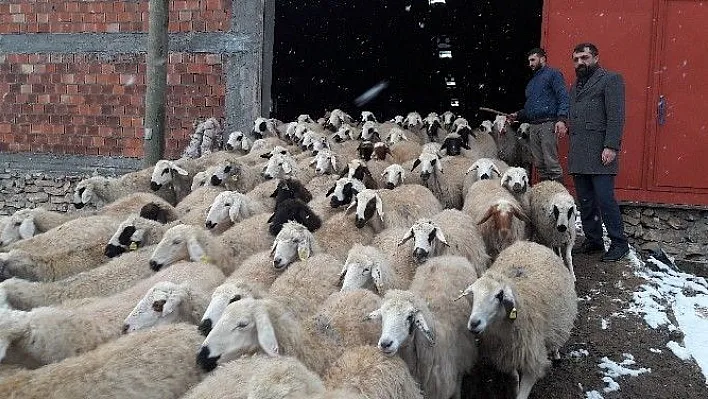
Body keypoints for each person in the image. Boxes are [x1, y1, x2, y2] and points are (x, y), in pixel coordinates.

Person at [567, 42, 629, 262]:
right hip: (579, 153)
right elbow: (575, 114)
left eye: (584, 58)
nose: (579, 63)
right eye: (576, 59)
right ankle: (594, 241)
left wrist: (611, 146)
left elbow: (616, 116)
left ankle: (620, 243)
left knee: (605, 199)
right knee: (585, 201)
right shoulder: (575, 86)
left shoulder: (610, 80)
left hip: (600, 152)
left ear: (595, 57)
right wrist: (563, 123)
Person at [508, 47, 569, 183]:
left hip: (548, 124)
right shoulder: (531, 83)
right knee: (540, 164)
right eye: (529, 61)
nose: (530, 64)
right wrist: (517, 115)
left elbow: (563, 96)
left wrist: (562, 119)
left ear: (543, 59)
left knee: (551, 163)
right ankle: (546, 195)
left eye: (533, 60)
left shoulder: (553, 75)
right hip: (533, 127)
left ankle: (558, 197)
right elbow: (530, 108)